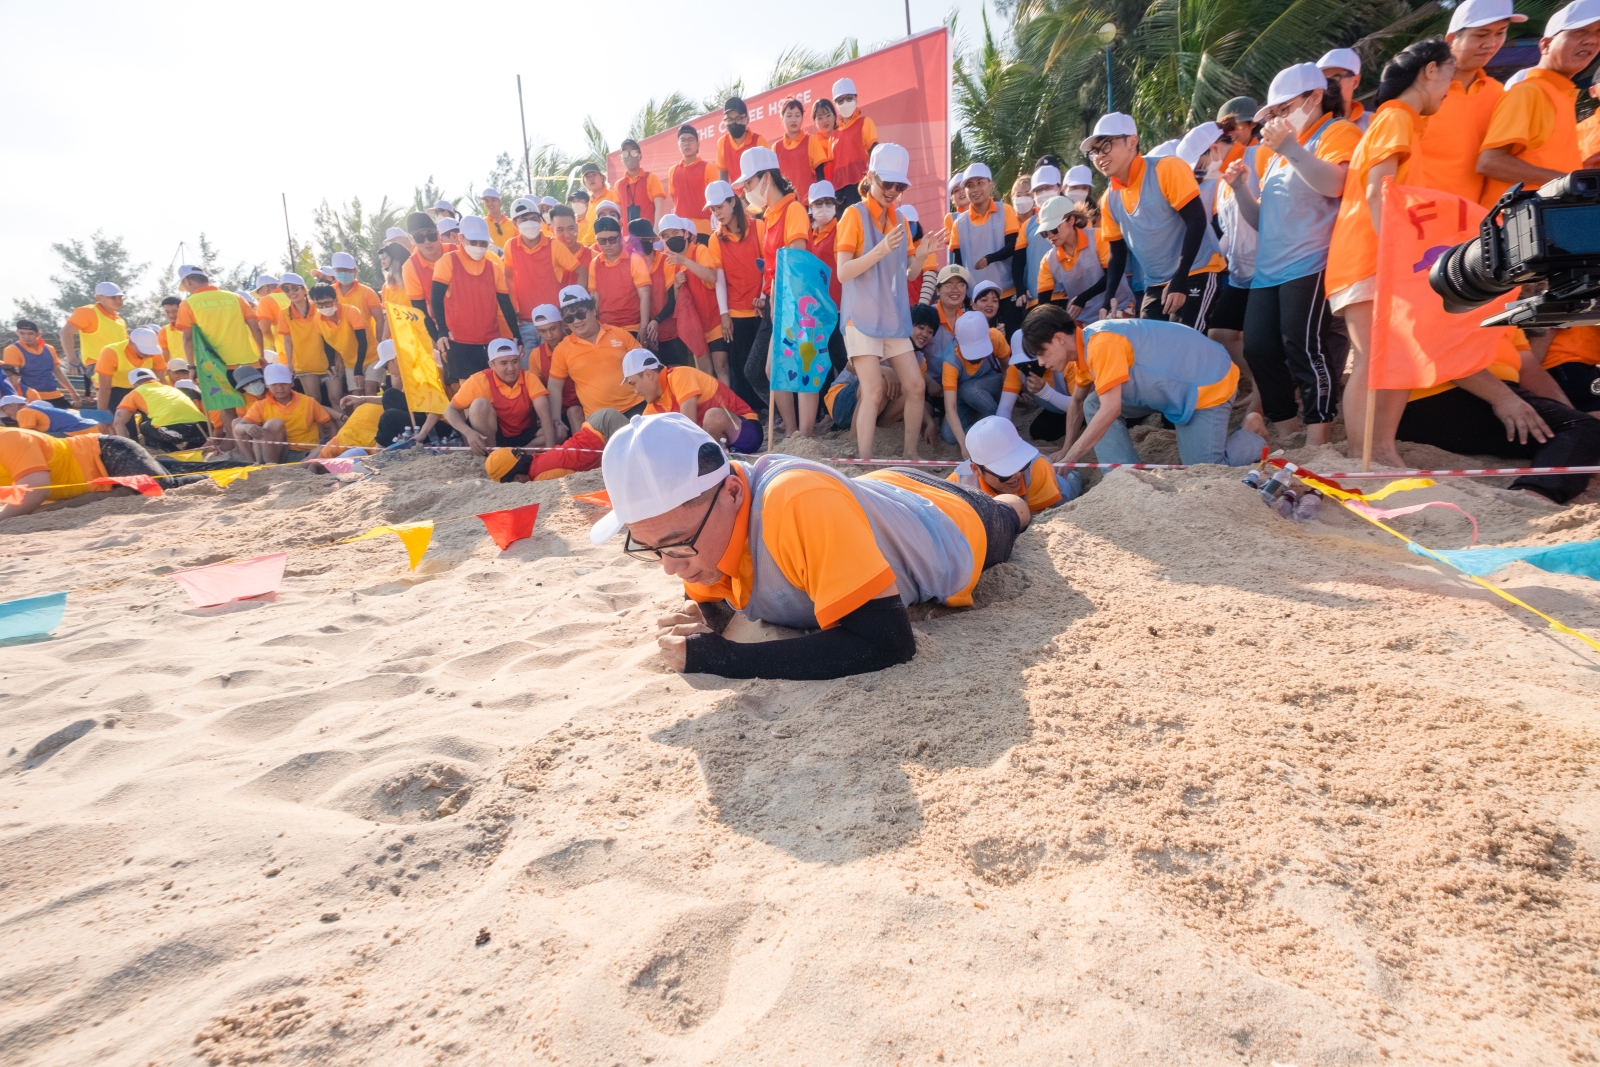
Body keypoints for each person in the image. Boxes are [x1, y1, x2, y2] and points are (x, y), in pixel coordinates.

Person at [595, 413, 1028, 679]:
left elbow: (888, 643)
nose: (669, 568)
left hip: (947, 520)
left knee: (1013, 510)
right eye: (650, 549)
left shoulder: (795, 503)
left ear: (731, 491)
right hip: (867, 496)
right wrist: (707, 616)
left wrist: (726, 658)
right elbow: (721, 598)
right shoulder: (703, 523)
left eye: (677, 545)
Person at [1326, 38, 1455, 467]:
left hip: (1373, 254)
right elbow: (1379, 191)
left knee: (1395, 355)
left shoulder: (1399, 121)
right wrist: (1398, 257)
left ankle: (1378, 450)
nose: (1449, 88)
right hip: (1372, 254)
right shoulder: (1396, 117)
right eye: (1449, 76)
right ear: (1430, 70)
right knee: (1373, 358)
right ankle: (1370, 453)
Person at [1227, 63, 1361, 446]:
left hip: (1311, 261)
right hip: (1269, 270)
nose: (1276, 120)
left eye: (1283, 109)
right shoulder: (1272, 154)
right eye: (1273, 114)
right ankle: (1286, 430)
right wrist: (1239, 190)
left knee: (1304, 347)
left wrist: (1289, 147)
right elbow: (1263, 220)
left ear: (1315, 97)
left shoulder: (1336, 131)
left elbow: (1336, 184)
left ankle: (1318, 434)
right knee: (1259, 348)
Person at [1020, 305, 1266, 466]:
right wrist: (1066, 449)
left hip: (1207, 382)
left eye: (1041, 353)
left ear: (1059, 339)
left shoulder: (1101, 343)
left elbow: (1111, 409)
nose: (1042, 362)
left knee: (1206, 469)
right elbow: (1078, 400)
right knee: (1094, 401)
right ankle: (1122, 475)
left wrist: (1073, 457)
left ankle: (1251, 430)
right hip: (1171, 388)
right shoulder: (1083, 347)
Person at [1396, 328, 1600, 503]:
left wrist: (1582, 441)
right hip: (1442, 391)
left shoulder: (1504, 299)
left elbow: (1528, 367)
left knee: (1581, 432)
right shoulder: (1458, 288)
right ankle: (1531, 497)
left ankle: (1538, 492)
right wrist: (1503, 399)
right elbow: (1435, 347)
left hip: (1488, 392)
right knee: (1582, 429)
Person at [835, 144, 945, 462]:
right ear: (870, 177)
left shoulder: (898, 219)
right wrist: (881, 249)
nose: (894, 191)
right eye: (888, 184)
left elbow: (909, 273)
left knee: (915, 385)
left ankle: (910, 454)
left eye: (900, 186)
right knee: (873, 390)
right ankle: (864, 461)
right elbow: (843, 273)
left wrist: (923, 253)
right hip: (861, 317)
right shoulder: (853, 215)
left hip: (891, 318)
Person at [1074, 113, 1226, 330]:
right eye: (1095, 151)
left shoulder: (1166, 168)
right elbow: (1117, 254)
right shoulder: (1108, 199)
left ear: (1132, 142)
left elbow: (1197, 220)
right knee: (1153, 351)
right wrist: (1108, 299)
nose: (1100, 156)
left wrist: (1180, 278)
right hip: (1155, 283)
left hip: (1196, 271)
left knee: (1186, 346)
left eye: (1106, 145)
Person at [1477, 0, 1600, 206]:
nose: (1592, 40)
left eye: (1598, 33)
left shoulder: (1558, 95)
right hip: (1513, 229)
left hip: (1542, 225)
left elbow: (1540, 162)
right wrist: (1569, 180)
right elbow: (1490, 162)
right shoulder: (1529, 92)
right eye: (1579, 32)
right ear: (1545, 45)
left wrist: (1581, 172)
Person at [735, 146, 814, 434]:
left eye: (749, 183)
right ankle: (794, 432)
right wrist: (766, 293)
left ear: (767, 178)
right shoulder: (769, 215)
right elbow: (771, 265)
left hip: (795, 300)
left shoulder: (793, 210)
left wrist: (778, 294)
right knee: (772, 371)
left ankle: (803, 434)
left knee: (796, 370)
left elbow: (796, 260)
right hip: (775, 300)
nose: (745, 190)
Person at [1417, 0, 1522, 203]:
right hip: (1418, 221)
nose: (1491, 43)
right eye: (1481, 35)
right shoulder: (1417, 90)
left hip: (1473, 227)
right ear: (1451, 39)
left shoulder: (1498, 94)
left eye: (1500, 33)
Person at [683, 180, 764, 408]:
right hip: (737, 311)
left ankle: (773, 411)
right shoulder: (715, 239)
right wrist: (725, 313)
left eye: (719, 206)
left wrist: (765, 297)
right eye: (712, 209)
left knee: (762, 365)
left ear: (732, 202)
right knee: (741, 366)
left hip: (761, 307)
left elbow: (768, 266)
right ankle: (753, 413)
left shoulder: (758, 227)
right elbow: (719, 278)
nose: (716, 213)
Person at [0, 426, 170, 519]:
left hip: (106, 454)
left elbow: (37, 489)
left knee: (163, 487)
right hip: (100, 479)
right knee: (167, 473)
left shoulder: (8, 439)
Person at [430, 215, 518, 385]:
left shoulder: (493, 267)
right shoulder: (447, 262)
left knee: (494, 389)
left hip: (491, 340)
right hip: (459, 341)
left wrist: (517, 335)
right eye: (474, 242)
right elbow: (436, 299)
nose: (479, 247)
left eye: (483, 243)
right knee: (467, 392)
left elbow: (505, 304)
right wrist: (441, 331)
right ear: (461, 238)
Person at [623, 348, 761, 452]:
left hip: (748, 431)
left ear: (648, 374)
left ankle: (716, 459)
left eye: (633, 383)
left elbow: (688, 427)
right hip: (724, 441)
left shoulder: (679, 375)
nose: (635, 391)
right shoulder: (652, 406)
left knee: (712, 417)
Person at [547, 286, 645, 421]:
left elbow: (645, 366)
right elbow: (554, 387)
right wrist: (555, 419)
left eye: (580, 314)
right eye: (569, 318)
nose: (576, 321)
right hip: (600, 418)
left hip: (637, 406)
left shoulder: (620, 334)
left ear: (593, 310)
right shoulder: (562, 349)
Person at [950, 163, 1026, 334]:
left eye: (980, 183)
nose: (975, 189)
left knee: (1013, 340)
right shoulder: (959, 224)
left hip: (1006, 292)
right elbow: (958, 264)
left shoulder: (1004, 210)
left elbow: (1012, 245)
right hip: (977, 298)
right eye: (969, 185)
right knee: (981, 342)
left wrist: (990, 258)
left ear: (990, 184)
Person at [949, 415, 1081, 514]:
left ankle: (1072, 475)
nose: (1017, 474)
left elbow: (1040, 518)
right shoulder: (958, 482)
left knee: (1072, 481)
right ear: (975, 469)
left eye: (1021, 463)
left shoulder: (1037, 467)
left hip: (1057, 491)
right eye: (1005, 470)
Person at [444, 337, 555, 455]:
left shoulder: (529, 378)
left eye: (515, 361)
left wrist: (551, 452)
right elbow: (450, 411)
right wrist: (468, 432)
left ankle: (516, 455)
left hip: (524, 434)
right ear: (491, 365)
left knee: (560, 432)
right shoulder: (479, 380)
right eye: (504, 363)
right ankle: (493, 456)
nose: (511, 368)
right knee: (480, 404)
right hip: (495, 437)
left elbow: (545, 416)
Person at [504, 196, 582, 358]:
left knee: (556, 367)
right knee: (528, 372)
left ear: (540, 220)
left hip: (553, 321)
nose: (529, 223)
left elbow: (581, 272)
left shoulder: (554, 245)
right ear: (514, 223)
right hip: (525, 322)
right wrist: (514, 308)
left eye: (533, 218)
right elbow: (508, 278)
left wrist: (571, 307)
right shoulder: (510, 246)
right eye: (523, 220)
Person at [940, 310, 1018, 452]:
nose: (978, 357)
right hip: (964, 396)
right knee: (949, 436)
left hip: (991, 384)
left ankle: (1000, 424)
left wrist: (1008, 399)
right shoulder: (951, 360)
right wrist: (964, 445)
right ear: (958, 342)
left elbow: (1008, 368)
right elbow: (950, 407)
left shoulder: (995, 336)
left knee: (969, 389)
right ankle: (984, 428)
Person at [485, 407, 629, 482]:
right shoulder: (534, 460)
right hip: (595, 426)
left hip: (603, 428)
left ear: (516, 478)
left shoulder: (539, 475)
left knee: (642, 455)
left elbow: (573, 475)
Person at [232, 363, 336, 463]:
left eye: (284, 383)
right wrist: (247, 427)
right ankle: (271, 466)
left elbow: (329, 425)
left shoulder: (308, 402)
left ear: (292, 382)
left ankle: (295, 468)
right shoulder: (260, 405)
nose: (280, 388)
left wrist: (335, 449)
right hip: (278, 453)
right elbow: (238, 427)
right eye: (274, 384)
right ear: (266, 384)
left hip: (306, 452)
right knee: (273, 424)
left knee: (322, 449)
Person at [1034, 197, 1108, 322]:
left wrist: (1082, 298)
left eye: (1053, 229)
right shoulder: (1047, 261)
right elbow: (1043, 305)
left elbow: (1112, 275)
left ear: (1071, 220)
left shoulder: (1098, 237)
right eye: (1044, 233)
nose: (1050, 236)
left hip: (1117, 307)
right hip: (1082, 319)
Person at [111, 367, 210, 451]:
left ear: (134, 385)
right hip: (204, 429)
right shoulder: (172, 389)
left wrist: (126, 448)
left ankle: (173, 452)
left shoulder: (135, 392)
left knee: (145, 427)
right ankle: (188, 449)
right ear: (157, 380)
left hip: (176, 430)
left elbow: (118, 422)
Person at [587, 216, 653, 339]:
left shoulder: (634, 259)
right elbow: (594, 297)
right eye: (602, 241)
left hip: (632, 326)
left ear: (621, 237)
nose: (607, 245)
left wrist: (643, 328)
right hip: (605, 327)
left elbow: (645, 294)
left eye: (612, 239)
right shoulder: (595, 263)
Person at [270, 273, 331, 401]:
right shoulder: (284, 313)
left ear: (304, 289)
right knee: (314, 401)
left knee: (337, 398)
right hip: (304, 365)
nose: (291, 292)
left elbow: (331, 333)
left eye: (295, 288)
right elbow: (287, 340)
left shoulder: (318, 306)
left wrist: (337, 358)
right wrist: (290, 364)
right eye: (286, 289)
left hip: (328, 362)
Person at [529, 303, 583, 437]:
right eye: (542, 331)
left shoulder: (578, 344)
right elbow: (536, 390)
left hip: (582, 408)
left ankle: (582, 454)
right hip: (554, 412)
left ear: (562, 324)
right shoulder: (536, 355)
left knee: (574, 412)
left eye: (552, 328)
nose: (549, 335)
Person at [60, 282, 127, 386]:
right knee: (113, 396)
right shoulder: (87, 311)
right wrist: (72, 358)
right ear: (99, 297)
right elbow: (65, 332)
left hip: (120, 368)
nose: (118, 300)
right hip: (98, 366)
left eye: (120, 297)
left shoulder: (120, 320)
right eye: (113, 297)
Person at [311, 283, 369, 402]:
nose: (324, 307)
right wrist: (331, 363)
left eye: (327, 302)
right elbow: (327, 343)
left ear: (336, 300)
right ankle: (356, 421)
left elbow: (362, 341)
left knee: (370, 390)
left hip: (370, 356)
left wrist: (358, 370)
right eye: (319, 304)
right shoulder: (317, 318)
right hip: (349, 361)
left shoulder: (351, 311)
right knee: (355, 395)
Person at [4, 319, 80, 407]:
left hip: (54, 394)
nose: (26, 337)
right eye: (22, 333)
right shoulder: (12, 350)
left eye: (30, 333)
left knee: (70, 417)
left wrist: (72, 391)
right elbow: (12, 378)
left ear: (39, 334)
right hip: (30, 397)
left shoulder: (49, 348)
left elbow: (58, 372)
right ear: (17, 332)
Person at [826, 78, 878, 208]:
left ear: (856, 98)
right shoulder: (833, 136)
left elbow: (875, 153)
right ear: (835, 104)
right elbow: (832, 170)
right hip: (840, 193)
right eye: (840, 100)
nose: (845, 103)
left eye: (849, 98)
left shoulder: (865, 122)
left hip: (861, 186)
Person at [95, 325, 168, 412]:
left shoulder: (155, 353)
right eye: (144, 349)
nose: (147, 354)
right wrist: (103, 413)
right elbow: (105, 388)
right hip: (115, 388)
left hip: (142, 387)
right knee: (122, 420)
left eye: (150, 349)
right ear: (131, 342)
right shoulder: (111, 352)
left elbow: (161, 381)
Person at [1018, 164, 1061, 307]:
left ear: (1059, 187)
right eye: (1038, 190)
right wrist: (1021, 288)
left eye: (1047, 188)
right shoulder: (1027, 225)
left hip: (1068, 295)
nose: (1043, 193)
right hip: (1036, 297)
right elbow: (1019, 261)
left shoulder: (1074, 219)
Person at [775, 96, 831, 205]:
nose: (793, 119)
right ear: (782, 118)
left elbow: (820, 174)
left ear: (802, 118)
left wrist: (821, 201)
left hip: (810, 203)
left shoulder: (811, 140)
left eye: (797, 115)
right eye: (789, 116)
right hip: (787, 206)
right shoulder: (776, 148)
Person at [402, 210, 449, 339]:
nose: (427, 241)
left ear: (439, 234)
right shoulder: (410, 267)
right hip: (445, 329)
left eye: (431, 236)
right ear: (412, 240)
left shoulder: (456, 251)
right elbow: (420, 310)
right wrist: (438, 338)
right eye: (419, 238)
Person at [668, 124, 716, 239]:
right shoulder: (673, 171)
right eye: (683, 140)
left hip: (704, 229)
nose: (687, 143)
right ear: (678, 145)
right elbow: (675, 199)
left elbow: (715, 200)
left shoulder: (709, 168)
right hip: (680, 231)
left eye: (691, 140)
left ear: (698, 144)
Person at [329, 251, 386, 343]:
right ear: (334, 271)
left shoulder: (367, 292)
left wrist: (379, 343)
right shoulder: (329, 292)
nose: (343, 273)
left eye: (347, 270)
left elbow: (380, 320)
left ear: (355, 270)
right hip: (341, 350)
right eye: (339, 270)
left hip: (368, 350)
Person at [615, 139, 669, 225]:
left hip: (649, 236)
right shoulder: (619, 185)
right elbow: (618, 215)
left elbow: (660, 207)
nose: (629, 156)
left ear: (640, 156)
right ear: (622, 158)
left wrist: (656, 231)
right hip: (628, 237)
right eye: (625, 153)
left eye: (633, 152)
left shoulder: (651, 178)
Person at [716, 97, 768, 183]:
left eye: (738, 119)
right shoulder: (722, 143)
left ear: (747, 119)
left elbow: (768, 175)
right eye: (729, 119)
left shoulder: (759, 142)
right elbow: (723, 181)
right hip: (735, 196)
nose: (733, 123)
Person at [1318, 48, 1370, 130]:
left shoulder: (1373, 123)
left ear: (1355, 81)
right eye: (1323, 80)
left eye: (1335, 77)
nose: (1328, 85)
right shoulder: (1312, 130)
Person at [1217, 97, 1261, 171]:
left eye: (1234, 126)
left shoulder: (1262, 152)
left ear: (1252, 124)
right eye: (1224, 128)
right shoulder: (1215, 160)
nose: (1229, 132)